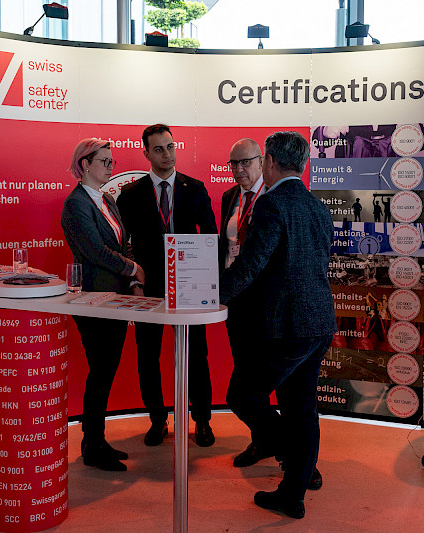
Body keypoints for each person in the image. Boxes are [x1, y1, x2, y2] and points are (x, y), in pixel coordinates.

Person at [220, 131, 336, 519]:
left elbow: (251, 263)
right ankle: (292, 494)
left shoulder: (271, 204)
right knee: (301, 408)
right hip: (318, 322)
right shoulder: (317, 206)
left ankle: (286, 451)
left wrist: (213, 294)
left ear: (269, 162)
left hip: (285, 327)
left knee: (242, 396)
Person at [117, 124, 218, 447]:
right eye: (159, 149)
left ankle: (202, 420)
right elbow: (123, 244)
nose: (167, 154)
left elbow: (210, 236)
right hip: (148, 287)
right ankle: (157, 419)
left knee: (196, 354)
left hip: (190, 286)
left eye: (171, 147)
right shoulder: (131, 194)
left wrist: (207, 281)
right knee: (147, 355)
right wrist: (133, 281)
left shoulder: (195, 188)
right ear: (146, 153)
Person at [60, 138, 145, 471]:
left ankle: (95, 440)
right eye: (105, 161)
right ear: (85, 164)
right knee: (101, 370)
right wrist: (132, 269)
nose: (111, 167)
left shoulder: (107, 199)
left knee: (106, 370)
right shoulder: (76, 204)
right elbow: (95, 250)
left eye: (112, 162)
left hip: (117, 299)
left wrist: (134, 279)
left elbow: (124, 243)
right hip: (94, 300)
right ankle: (92, 443)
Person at [218, 138, 269, 467]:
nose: (238, 170)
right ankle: (261, 439)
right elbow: (226, 246)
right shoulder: (229, 197)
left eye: (245, 162)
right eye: (233, 163)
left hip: (265, 302)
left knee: (259, 380)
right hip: (234, 299)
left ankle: (282, 443)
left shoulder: (273, 197)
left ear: (261, 161)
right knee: (245, 372)